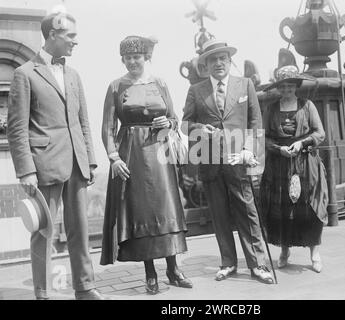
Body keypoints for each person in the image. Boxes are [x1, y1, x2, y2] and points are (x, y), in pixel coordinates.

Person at [7, 12, 106, 300]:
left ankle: (85, 288)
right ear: (52, 34)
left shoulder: (74, 74)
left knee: (80, 230)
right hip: (44, 164)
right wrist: (26, 171)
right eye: (70, 37)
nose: (76, 42)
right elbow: (17, 128)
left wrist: (89, 161)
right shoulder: (23, 74)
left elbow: (83, 121)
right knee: (44, 231)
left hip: (76, 162)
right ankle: (44, 292)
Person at [100, 36, 192, 295]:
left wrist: (169, 124)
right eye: (127, 58)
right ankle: (150, 273)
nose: (132, 62)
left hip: (160, 153)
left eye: (136, 57)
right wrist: (114, 158)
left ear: (146, 58)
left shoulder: (160, 83)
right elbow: (108, 128)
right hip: (131, 154)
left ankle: (174, 270)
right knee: (140, 211)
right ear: (123, 60)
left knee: (165, 206)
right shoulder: (116, 87)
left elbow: (174, 118)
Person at [182, 39, 274, 284]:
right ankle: (228, 263)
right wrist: (201, 128)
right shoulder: (196, 90)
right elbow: (185, 124)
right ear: (206, 65)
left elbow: (255, 121)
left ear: (229, 61)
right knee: (219, 214)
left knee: (248, 211)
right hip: (210, 161)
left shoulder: (244, 85)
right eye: (213, 59)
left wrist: (248, 150)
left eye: (223, 58)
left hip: (239, 159)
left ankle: (258, 264)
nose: (218, 63)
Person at [259, 65, 328, 273]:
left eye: (291, 86)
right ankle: (284, 250)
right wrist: (278, 149)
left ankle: (314, 253)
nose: (287, 90)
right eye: (283, 87)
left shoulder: (307, 106)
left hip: (306, 163)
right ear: (278, 89)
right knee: (283, 209)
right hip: (279, 164)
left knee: (309, 207)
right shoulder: (271, 108)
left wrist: (302, 143)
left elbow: (320, 133)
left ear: (296, 87)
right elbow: (263, 136)